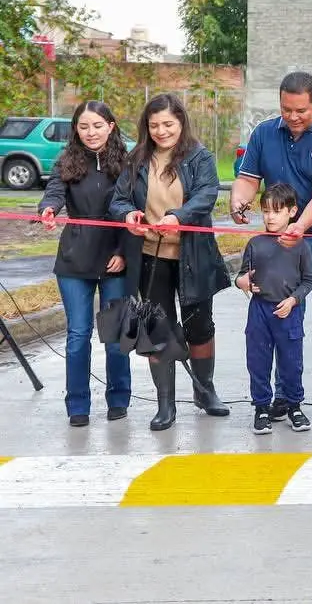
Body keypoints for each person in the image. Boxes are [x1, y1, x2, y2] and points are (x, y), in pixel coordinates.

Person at [230, 72, 312, 421]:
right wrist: (239, 202)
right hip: (280, 243)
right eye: (286, 109)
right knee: (278, 314)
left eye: (301, 109)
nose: (293, 116)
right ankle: (284, 395)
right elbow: (247, 178)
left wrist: (301, 226)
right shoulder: (264, 133)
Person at [110, 93, 232, 431]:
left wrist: (179, 216)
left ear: (181, 122)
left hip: (193, 256)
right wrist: (129, 213)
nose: (161, 131)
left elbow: (207, 194)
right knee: (156, 330)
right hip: (150, 257)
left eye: (168, 124)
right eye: (154, 125)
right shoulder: (136, 158)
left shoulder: (200, 156)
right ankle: (165, 404)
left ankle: (204, 392)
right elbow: (118, 200)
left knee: (199, 327)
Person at [39, 101, 132, 426]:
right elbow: (53, 192)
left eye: (97, 125)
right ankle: (77, 405)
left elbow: (133, 208)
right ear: (76, 130)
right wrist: (48, 209)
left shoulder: (127, 162)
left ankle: (119, 398)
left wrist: (123, 252)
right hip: (74, 259)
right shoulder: (66, 161)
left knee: (115, 333)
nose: (90, 133)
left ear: (111, 125)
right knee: (78, 334)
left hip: (115, 258)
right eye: (83, 127)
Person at [236, 183, 312, 436]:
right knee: (258, 361)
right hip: (259, 312)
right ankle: (261, 408)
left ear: (292, 212)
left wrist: (292, 301)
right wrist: (244, 283)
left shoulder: (300, 245)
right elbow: (240, 277)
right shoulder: (255, 244)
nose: (270, 217)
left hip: (288, 312)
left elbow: (309, 281)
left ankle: (295, 406)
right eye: (266, 211)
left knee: (291, 362)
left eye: (277, 211)